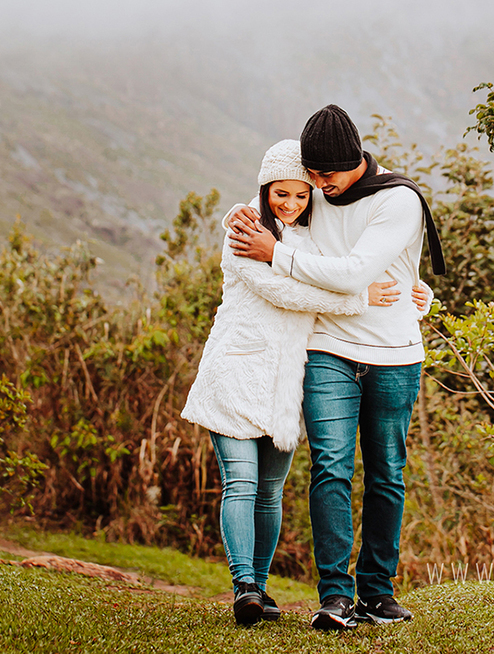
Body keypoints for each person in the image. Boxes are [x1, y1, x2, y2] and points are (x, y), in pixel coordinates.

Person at [181, 138, 430, 627]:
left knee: (272, 491)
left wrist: (414, 291)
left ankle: (270, 588)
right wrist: (359, 299)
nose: (293, 203)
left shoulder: (311, 233)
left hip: (285, 382)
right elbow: (286, 289)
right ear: (265, 190)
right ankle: (247, 587)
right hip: (238, 371)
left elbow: (345, 263)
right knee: (245, 482)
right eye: (281, 194)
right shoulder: (247, 234)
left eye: (301, 194)